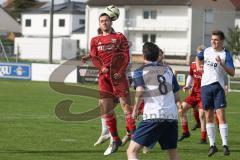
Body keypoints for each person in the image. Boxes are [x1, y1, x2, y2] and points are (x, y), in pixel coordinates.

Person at [90, 12, 136, 155]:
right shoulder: (94, 40)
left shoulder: (119, 37)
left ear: (111, 22)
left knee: (126, 107)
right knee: (106, 108)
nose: (104, 22)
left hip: (118, 76)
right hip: (104, 77)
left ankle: (134, 138)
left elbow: (126, 56)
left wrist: (121, 70)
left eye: (106, 20)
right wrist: (101, 67)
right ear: (99, 24)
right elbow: (94, 58)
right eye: (102, 21)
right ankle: (115, 139)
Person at [127, 42, 180, 160]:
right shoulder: (168, 70)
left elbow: (140, 91)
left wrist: (135, 110)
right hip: (171, 116)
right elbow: (177, 95)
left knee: (132, 152)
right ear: (158, 56)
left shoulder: (140, 71)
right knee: (173, 153)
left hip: (154, 116)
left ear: (143, 56)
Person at [196, 30, 235, 156]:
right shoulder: (206, 51)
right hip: (205, 87)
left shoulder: (226, 54)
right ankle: (212, 145)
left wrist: (222, 64)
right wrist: (198, 67)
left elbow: (232, 72)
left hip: (218, 87)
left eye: (216, 39)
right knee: (208, 116)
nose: (213, 41)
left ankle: (225, 145)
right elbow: (198, 57)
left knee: (221, 116)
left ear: (222, 41)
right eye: (212, 39)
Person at [178, 46, 207, 144]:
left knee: (202, 115)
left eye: (201, 55)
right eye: (198, 55)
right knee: (181, 110)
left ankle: (203, 138)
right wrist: (187, 85)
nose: (199, 57)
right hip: (194, 93)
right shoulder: (193, 65)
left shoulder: (208, 66)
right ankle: (185, 132)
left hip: (204, 94)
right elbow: (190, 75)